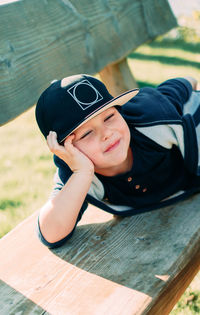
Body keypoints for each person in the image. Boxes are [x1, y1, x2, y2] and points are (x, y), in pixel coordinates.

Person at [35, 74, 200, 248]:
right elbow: (50, 234)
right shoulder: (76, 171)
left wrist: (189, 79)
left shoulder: (154, 118)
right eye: (86, 134)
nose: (106, 133)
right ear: (66, 150)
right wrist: (82, 172)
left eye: (109, 117)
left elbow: (174, 89)